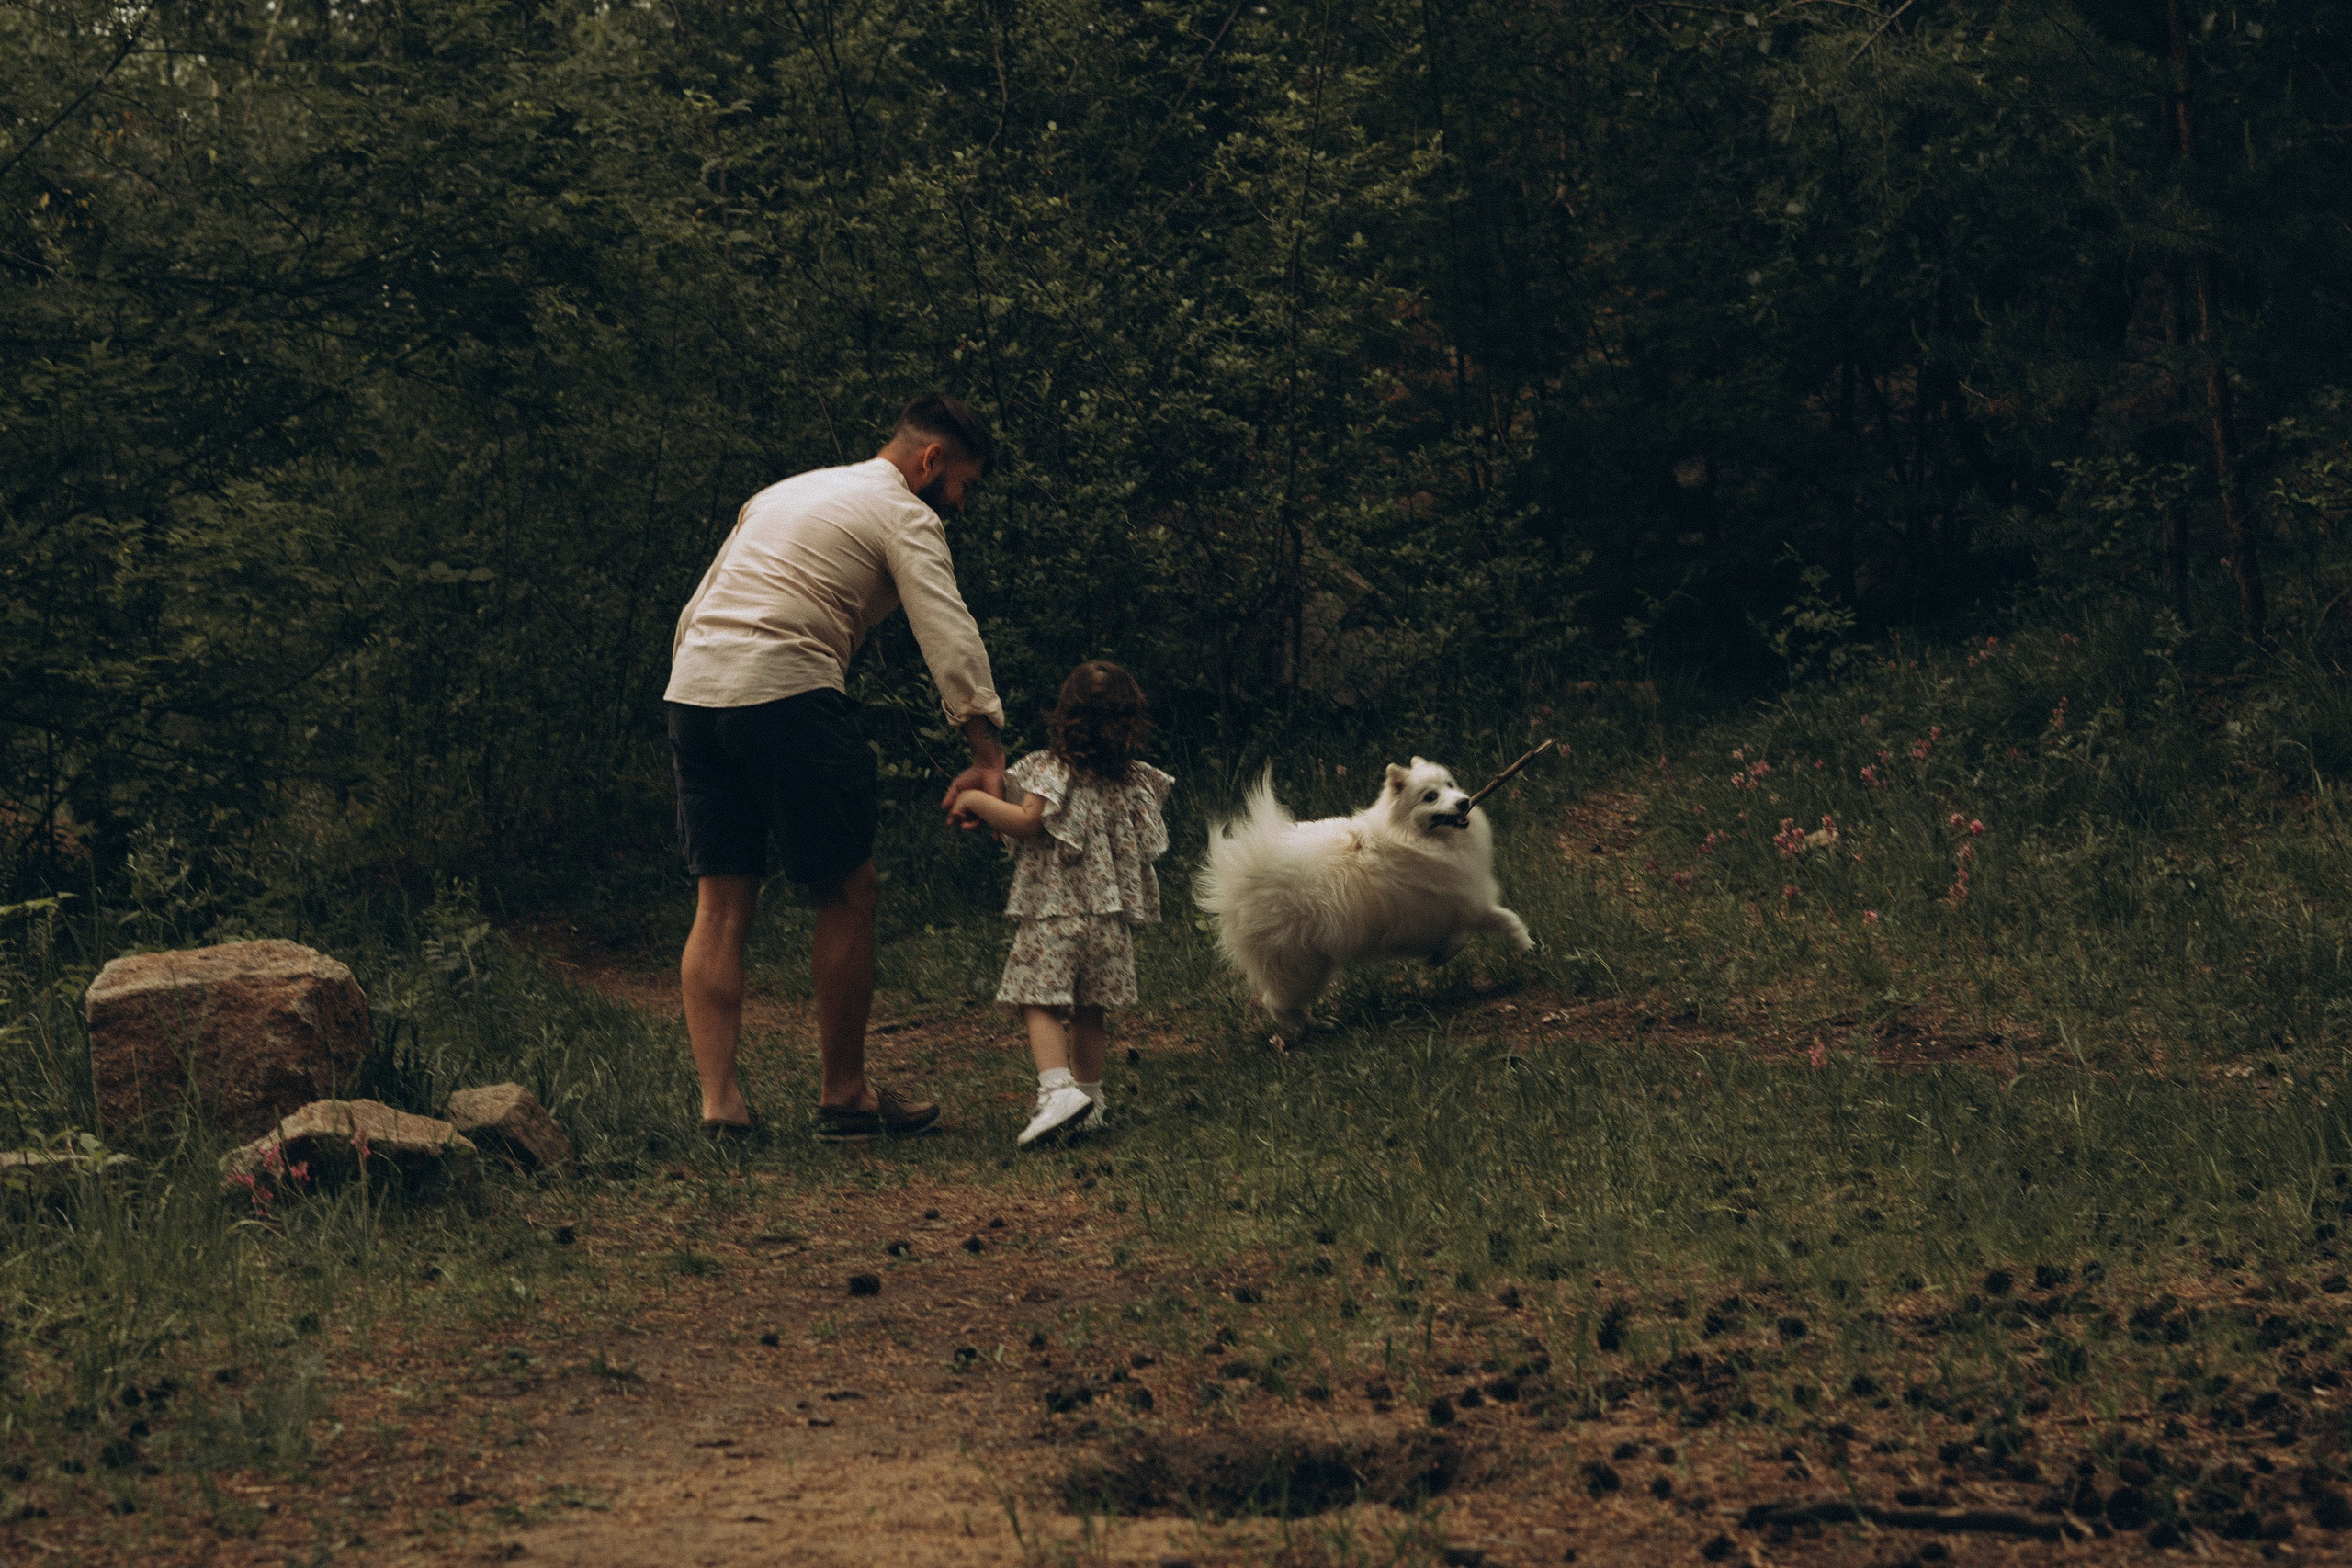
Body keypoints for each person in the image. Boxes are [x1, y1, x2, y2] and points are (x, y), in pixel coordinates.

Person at [665, 394, 1005, 1144]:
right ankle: (845, 1096)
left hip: (693, 689)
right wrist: (986, 749)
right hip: (785, 687)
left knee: (720, 902)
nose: (960, 504)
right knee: (848, 886)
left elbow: (700, 603)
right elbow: (944, 624)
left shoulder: (784, 492)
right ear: (931, 462)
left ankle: (721, 1108)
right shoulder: (904, 513)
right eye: (964, 486)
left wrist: (697, 698)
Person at [951, 661, 1173, 1146]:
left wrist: (973, 799)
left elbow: (1029, 821)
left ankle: (1057, 1090)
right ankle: (1090, 1100)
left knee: (1038, 999)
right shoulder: (1136, 782)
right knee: (1092, 1008)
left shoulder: (1052, 770)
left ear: (1064, 717)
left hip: (1056, 913)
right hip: (1110, 923)